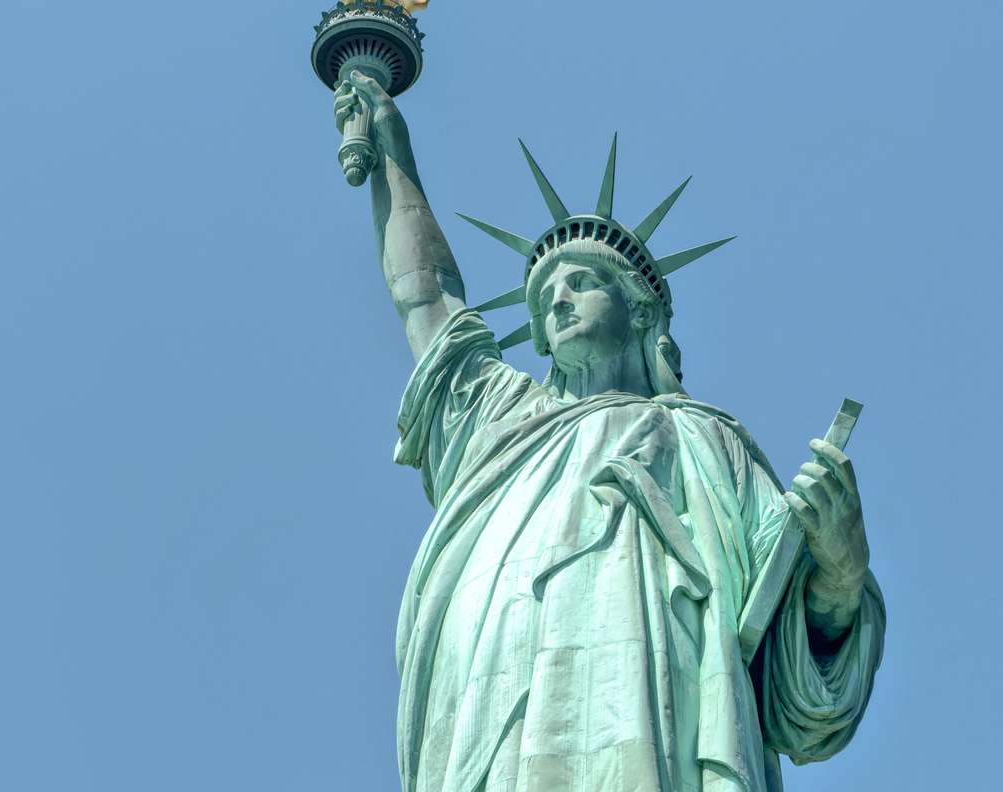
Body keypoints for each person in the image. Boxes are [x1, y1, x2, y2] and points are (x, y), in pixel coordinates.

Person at [331, 70, 886, 792]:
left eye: (581, 282)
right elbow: (426, 297)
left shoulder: (706, 441)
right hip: (492, 697)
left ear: (643, 312)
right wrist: (393, 154)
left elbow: (785, 641)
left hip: (656, 702)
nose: (557, 300)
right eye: (543, 297)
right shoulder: (497, 418)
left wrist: (839, 576)